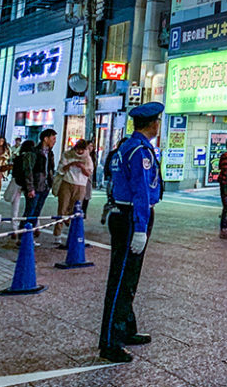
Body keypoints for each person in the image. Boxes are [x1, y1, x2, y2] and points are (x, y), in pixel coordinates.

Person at [99, 102, 164, 363]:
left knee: (128, 279)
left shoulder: (126, 147)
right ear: (152, 124)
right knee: (122, 280)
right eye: (158, 121)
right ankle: (110, 343)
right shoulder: (139, 151)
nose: (158, 125)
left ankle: (127, 328)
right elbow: (140, 191)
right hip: (130, 218)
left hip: (124, 214)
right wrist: (140, 228)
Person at [55, 139, 93, 243]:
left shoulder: (87, 158)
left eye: (82, 150)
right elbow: (61, 169)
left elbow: (89, 173)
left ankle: (72, 234)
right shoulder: (67, 154)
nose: (80, 152)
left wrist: (81, 167)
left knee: (75, 209)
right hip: (67, 182)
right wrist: (72, 164)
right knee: (62, 208)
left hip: (81, 185)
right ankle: (57, 235)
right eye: (78, 149)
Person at [24, 130, 57, 231]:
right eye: (53, 138)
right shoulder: (34, 153)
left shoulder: (50, 153)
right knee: (30, 212)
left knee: (37, 212)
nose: (54, 141)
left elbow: (50, 169)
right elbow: (28, 171)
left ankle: (30, 235)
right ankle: (23, 236)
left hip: (45, 186)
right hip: (35, 186)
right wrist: (30, 188)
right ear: (45, 139)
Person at [9, 139, 36, 234]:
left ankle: (14, 228)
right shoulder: (31, 157)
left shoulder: (18, 157)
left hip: (17, 182)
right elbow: (29, 171)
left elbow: (14, 172)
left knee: (15, 206)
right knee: (31, 206)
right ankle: (35, 226)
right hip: (26, 184)